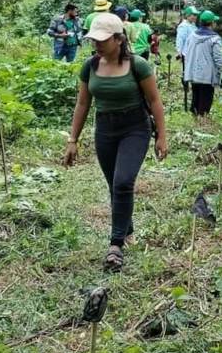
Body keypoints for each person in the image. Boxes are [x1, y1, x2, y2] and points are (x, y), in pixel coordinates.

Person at [63, 14, 167, 272]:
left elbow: (154, 101)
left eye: (102, 39)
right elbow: (83, 103)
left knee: (123, 182)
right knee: (114, 185)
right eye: (94, 39)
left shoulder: (138, 65)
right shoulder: (90, 65)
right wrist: (72, 140)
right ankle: (127, 228)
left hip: (135, 128)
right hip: (105, 129)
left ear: (119, 39)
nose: (96, 44)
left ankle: (116, 244)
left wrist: (162, 136)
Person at [183, 10, 222, 116]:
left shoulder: (192, 35)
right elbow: (218, 59)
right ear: (212, 23)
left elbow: (186, 52)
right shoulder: (215, 39)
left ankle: (194, 118)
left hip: (193, 73)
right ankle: (202, 122)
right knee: (205, 100)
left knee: (196, 96)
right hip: (207, 76)